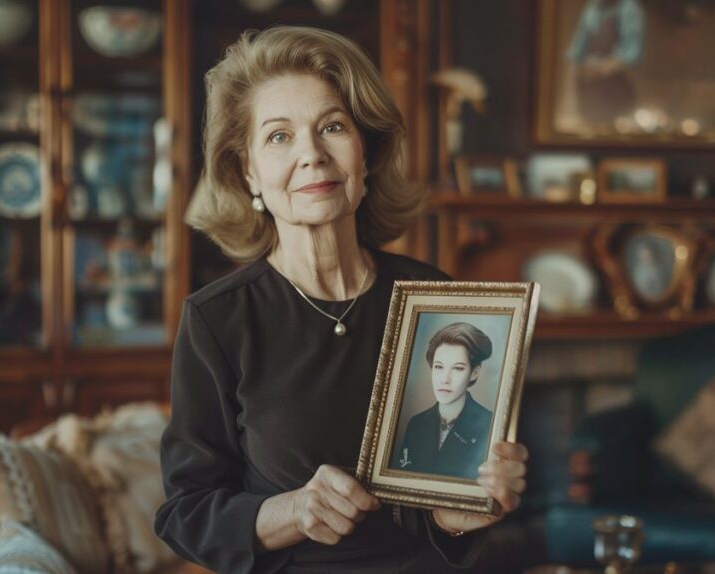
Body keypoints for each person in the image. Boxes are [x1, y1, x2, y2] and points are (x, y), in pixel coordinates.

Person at [155, 26, 529, 574]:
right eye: (279, 136)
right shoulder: (219, 319)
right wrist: (291, 511)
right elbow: (184, 514)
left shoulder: (436, 297)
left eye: (332, 126)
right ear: (248, 172)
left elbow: (441, 509)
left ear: (367, 153)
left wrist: (462, 512)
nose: (311, 154)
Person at [392, 322, 494, 479]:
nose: (445, 379)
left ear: (474, 373)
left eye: (458, 368)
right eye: (439, 367)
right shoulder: (416, 424)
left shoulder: (490, 425)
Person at [564, 0, 645, 127]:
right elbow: (577, 51)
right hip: (588, 87)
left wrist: (601, 69)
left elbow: (631, 53)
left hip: (613, 88)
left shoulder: (627, 8)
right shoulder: (592, 8)